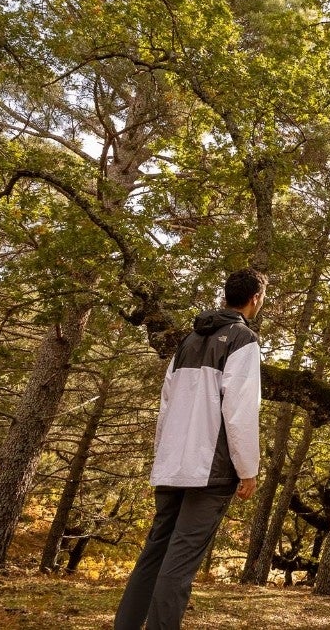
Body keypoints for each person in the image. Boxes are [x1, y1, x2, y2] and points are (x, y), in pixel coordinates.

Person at [114, 268, 267, 630]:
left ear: (226, 294)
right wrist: (248, 469)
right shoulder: (243, 339)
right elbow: (240, 410)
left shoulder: (189, 340)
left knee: (154, 555)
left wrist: (161, 458)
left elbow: (166, 404)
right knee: (180, 563)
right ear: (255, 299)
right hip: (209, 469)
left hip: (172, 462)